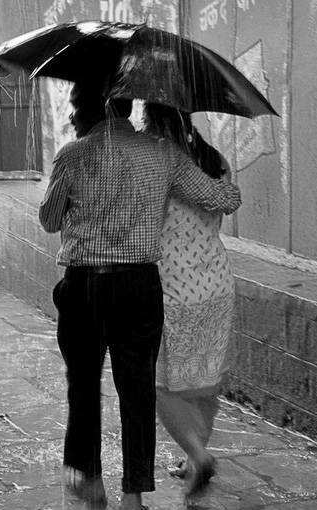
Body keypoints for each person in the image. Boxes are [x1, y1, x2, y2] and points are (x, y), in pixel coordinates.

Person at [38, 83, 242, 510]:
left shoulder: (72, 155)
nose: (72, 117)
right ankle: (133, 497)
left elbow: (49, 219)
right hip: (139, 286)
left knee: (83, 385)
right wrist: (222, 182)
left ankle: (91, 481)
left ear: (95, 110)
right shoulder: (161, 153)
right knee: (137, 392)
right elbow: (219, 197)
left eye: (76, 108)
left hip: (84, 285)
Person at [143, 104, 236, 495]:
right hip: (216, 283)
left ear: (155, 120)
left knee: (159, 383)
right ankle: (194, 454)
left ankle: (197, 454)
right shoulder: (214, 160)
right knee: (207, 378)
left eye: (146, 120)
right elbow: (227, 201)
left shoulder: (159, 165)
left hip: (174, 289)